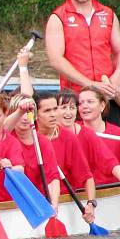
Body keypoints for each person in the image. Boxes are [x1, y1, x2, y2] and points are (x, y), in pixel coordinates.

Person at [45, 0, 120, 98]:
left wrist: (117, 78)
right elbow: (55, 60)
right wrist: (89, 84)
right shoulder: (58, 17)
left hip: (107, 96)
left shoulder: (108, 14)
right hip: (75, 98)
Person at [33, 92, 97, 223]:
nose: (53, 115)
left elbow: (86, 176)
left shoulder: (69, 138)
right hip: (33, 200)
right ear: (35, 114)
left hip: (62, 199)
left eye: (55, 109)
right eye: (47, 111)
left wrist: (91, 203)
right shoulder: (29, 137)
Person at [56, 89, 120, 188]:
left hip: (79, 191)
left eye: (72, 108)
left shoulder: (87, 134)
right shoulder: (43, 134)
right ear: (54, 110)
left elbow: (109, 160)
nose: (68, 112)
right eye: (63, 108)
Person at [7, 94, 61, 212]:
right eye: (21, 114)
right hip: (9, 201)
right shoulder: (6, 137)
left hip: (36, 202)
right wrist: (19, 111)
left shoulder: (43, 143)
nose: (25, 118)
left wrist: (54, 204)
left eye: (29, 113)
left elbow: (52, 178)